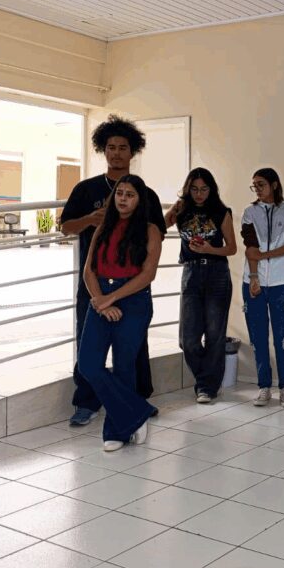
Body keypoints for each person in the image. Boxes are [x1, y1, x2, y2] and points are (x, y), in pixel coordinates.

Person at [59, 115, 166, 426]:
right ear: (102, 151)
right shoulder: (86, 188)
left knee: (131, 348)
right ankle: (87, 403)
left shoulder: (145, 194)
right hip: (94, 282)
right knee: (88, 344)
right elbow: (65, 226)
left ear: (132, 152)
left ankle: (135, 401)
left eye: (123, 148)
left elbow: (155, 233)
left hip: (132, 285)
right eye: (111, 147)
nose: (116, 153)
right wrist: (92, 219)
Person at [78, 174, 162, 451]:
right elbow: (88, 269)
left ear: (140, 200)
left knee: (125, 365)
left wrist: (111, 299)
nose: (123, 199)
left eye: (130, 195)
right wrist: (100, 299)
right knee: (89, 364)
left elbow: (148, 274)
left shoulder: (150, 231)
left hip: (134, 300)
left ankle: (116, 430)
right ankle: (136, 413)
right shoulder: (103, 227)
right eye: (120, 193)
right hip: (101, 297)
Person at [165, 168, 237, 403]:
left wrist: (209, 249)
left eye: (204, 189)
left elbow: (232, 248)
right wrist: (174, 209)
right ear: (188, 189)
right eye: (194, 189)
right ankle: (205, 379)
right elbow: (160, 226)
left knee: (215, 334)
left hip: (216, 271)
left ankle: (206, 387)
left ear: (211, 189)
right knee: (188, 338)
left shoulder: (220, 211)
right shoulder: (182, 209)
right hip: (191, 271)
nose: (199, 194)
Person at [240, 168, 284, 408]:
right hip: (253, 281)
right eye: (254, 185)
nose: (257, 189)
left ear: (274, 185)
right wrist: (254, 276)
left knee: (283, 336)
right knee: (258, 336)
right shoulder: (250, 213)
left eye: (261, 184)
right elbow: (250, 247)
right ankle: (263, 387)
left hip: (279, 282)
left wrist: (266, 255)